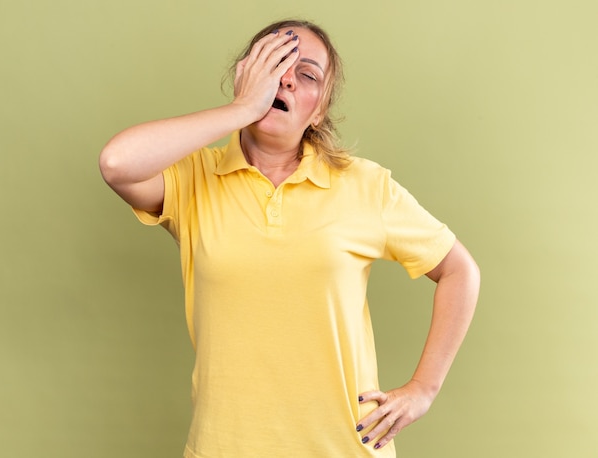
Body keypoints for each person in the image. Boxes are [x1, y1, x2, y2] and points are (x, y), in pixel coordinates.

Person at [99, 18, 480, 458]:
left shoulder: (365, 186)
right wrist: (242, 109)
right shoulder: (194, 178)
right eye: (275, 63)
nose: (286, 79)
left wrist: (423, 388)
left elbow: (460, 270)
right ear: (246, 75)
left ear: (318, 111)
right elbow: (116, 163)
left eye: (307, 74)